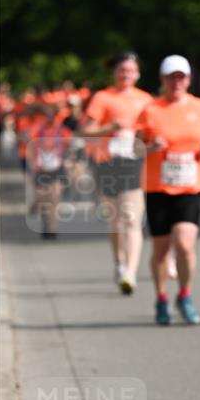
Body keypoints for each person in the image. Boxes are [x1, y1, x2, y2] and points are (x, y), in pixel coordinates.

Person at [136, 55, 200, 325]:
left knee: (184, 244)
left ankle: (185, 294)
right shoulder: (151, 110)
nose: (176, 82)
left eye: (181, 76)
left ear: (189, 79)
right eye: (171, 77)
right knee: (160, 249)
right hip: (158, 186)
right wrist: (150, 147)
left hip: (190, 184)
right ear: (162, 79)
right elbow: (135, 146)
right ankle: (160, 298)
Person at [81, 52, 153, 294]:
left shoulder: (146, 100)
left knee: (132, 218)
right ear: (114, 73)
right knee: (116, 221)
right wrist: (111, 127)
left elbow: (152, 131)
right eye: (122, 70)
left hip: (134, 162)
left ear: (138, 74)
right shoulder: (103, 97)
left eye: (130, 70)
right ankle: (119, 263)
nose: (126, 75)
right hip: (108, 162)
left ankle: (130, 273)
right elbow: (86, 132)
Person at [28, 102, 72, 238]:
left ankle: (52, 228)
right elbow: (30, 148)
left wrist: (69, 162)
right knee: (43, 199)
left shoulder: (63, 131)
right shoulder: (37, 130)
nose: (49, 118)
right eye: (47, 115)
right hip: (41, 169)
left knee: (54, 198)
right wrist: (33, 164)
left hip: (57, 169)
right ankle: (46, 223)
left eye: (52, 115)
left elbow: (70, 146)